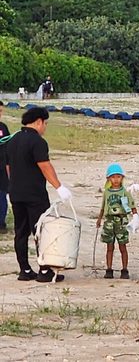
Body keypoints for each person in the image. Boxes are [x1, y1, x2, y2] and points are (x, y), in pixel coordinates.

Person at [7, 107, 72, 282]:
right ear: (38, 122)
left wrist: (14, 184)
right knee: (41, 231)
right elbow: (45, 166)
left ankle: (25, 270)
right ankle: (44, 270)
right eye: (45, 124)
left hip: (15, 193)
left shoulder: (12, 141)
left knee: (20, 232)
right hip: (35, 194)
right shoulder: (38, 142)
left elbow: (8, 168)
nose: (45, 128)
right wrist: (59, 187)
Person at [96, 163, 139, 279]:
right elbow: (103, 206)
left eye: (118, 177)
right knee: (109, 246)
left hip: (121, 220)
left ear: (122, 178)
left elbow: (132, 205)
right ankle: (109, 269)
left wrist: (135, 216)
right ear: (109, 179)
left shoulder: (125, 192)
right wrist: (99, 219)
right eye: (113, 177)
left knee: (122, 246)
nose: (116, 179)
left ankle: (124, 269)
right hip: (109, 221)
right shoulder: (107, 192)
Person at [0, 101, 10, 234]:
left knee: (2, 195)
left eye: (1, 111)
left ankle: (1, 222)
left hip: (2, 168)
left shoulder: (3, 127)